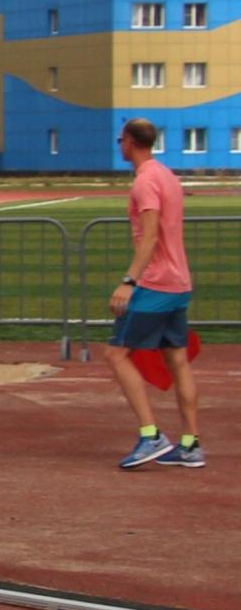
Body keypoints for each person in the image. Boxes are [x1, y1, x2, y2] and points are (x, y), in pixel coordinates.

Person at [104, 118, 203, 469]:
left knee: (116, 354)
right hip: (179, 282)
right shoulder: (167, 175)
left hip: (156, 283)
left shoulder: (145, 181)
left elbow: (150, 237)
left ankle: (151, 436)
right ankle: (190, 444)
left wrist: (128, 281)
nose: (120, 144)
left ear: (130, 142)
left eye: (121, 139)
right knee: (176, 359)